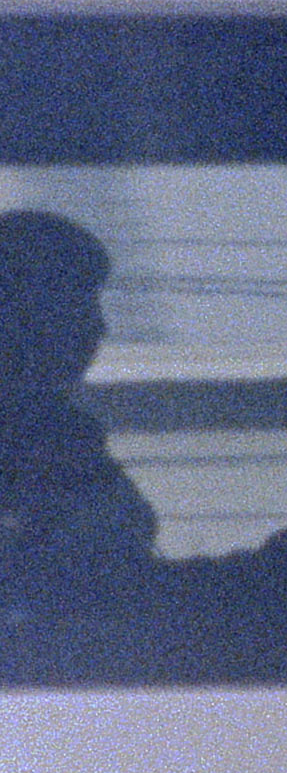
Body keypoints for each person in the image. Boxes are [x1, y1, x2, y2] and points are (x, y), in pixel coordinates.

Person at [0, 212, 162, 677]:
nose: (99, 329)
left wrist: (251, 574)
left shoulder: (56, 434)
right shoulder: (30, 446)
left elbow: (132, 582)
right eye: (77, 305)